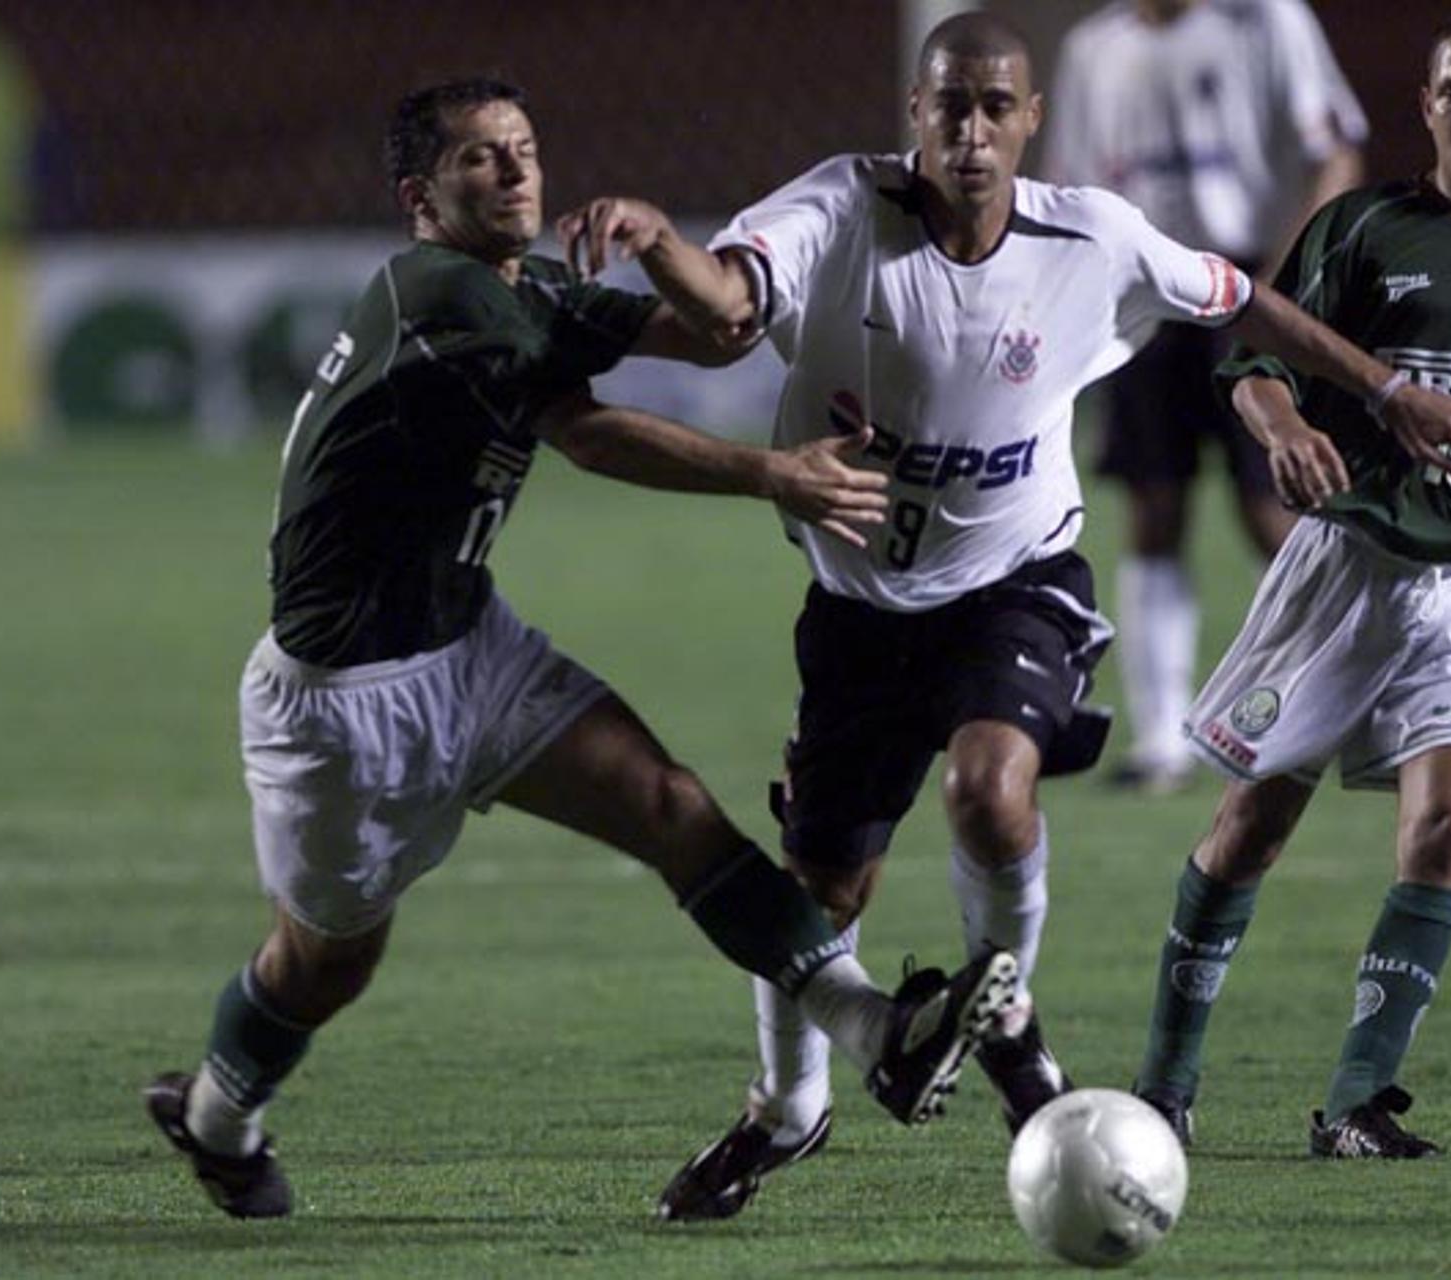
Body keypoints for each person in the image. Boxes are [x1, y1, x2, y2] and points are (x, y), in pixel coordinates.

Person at [564, 12, 1451, 1220]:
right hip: (859, 609)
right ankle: (787, 1108)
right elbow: (721, 309)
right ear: (912, 115)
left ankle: (1010, 1016)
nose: (970, 132)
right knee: (823, 895)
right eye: (948, 106)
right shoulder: (835, 209)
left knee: (992, 783)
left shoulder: (1095, 234)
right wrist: (658, 238)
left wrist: (1383, 389)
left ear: (1034, 121)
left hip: (1016, 584)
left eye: (994, 109)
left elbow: (1243, 300)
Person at [140, 77, 1024, 1221]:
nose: (515, 171)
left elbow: (716, 334)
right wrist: (776, 470)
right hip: (342, 701)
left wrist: (659, 235)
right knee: (325, 960)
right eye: (479, 159)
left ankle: (876, 1031)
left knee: (671, 803)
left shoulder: (525, 287)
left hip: (470, 644)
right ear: (420, 196)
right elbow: (591, 436)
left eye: (525, 148)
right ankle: (218, 1117)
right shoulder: (437, 295)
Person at [1129, 8, 1451, 1158]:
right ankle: (1163, 1085)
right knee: (1251, 825)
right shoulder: (1364, 228)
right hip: (1352, 570)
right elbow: (1248, 357)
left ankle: (1355, 1102)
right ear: (1427, 107)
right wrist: (1284, 424)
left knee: (1448, 825)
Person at [1044, 0, 1367, 792]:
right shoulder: (1095, 48)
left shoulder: (1264, 20)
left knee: (1273, 508)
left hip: (1247, 284)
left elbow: (1335, 154)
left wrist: (1282, 287)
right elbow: (1068, 188)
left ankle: (1342, 705)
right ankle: (1162, 739)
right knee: (1154, 507)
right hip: (1143, 297)